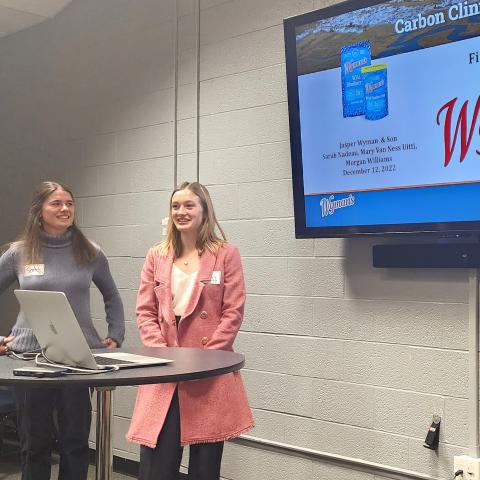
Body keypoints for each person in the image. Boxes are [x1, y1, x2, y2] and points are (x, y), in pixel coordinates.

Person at [127, 181, 254, 480]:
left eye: (188, 205)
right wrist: (163, 355)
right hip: (165, 369)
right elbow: (145, 311)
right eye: (175, 206)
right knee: (156, 463)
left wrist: (204, 360)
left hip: (208, 370)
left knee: (205, 469)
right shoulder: (156, 255)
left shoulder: (226, 254)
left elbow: (233, 312)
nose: (180, 211)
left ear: (204, 210)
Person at [0, 181, 125, 480]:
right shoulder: (19, 252)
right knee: (35, 443)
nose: (65, 209)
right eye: (56, 203)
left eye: (69, 203)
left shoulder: (90, 251)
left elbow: (112, 296)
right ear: (39, 211)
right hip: (28, 358)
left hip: (77, 360)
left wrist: (115, 334)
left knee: (75, 442)